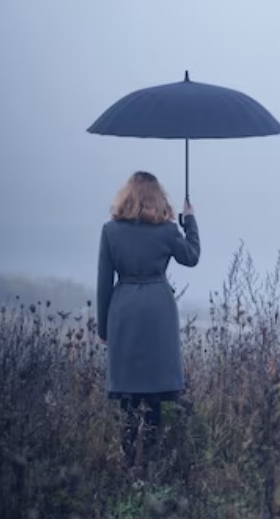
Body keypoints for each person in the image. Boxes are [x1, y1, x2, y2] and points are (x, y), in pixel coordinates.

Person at [97, 171, 200, 466]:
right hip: (158, 311)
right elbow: (191, 257)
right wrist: (189, 220)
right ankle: (151, 464)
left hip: (124, 310)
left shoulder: (110, 231)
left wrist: (104, 328)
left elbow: (104, 282)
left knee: (128, 392)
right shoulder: (166, 231)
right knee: (154, 391)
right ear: (158, 198)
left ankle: (130, 463)